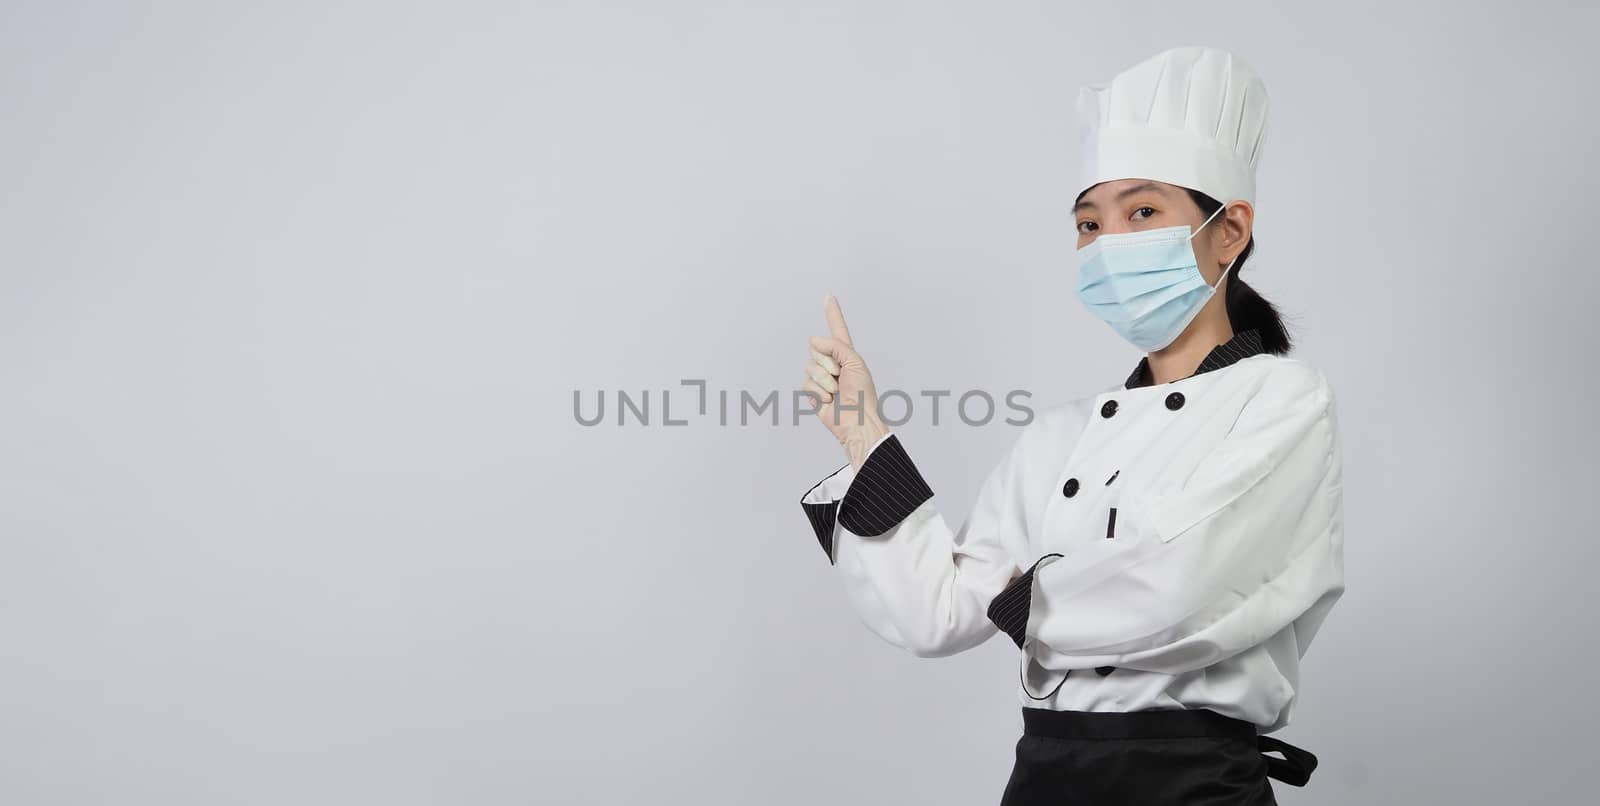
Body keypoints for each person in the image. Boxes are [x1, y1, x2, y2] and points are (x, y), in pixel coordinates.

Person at [796, 46, 1344, 805]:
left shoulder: (1283, 400)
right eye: (1089, 223)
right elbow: (937, 610)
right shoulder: (1059, 437)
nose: (1108, 242)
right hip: (1044, 779)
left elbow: (1180, 585)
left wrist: (1024, 598)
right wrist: (863, 436)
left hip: (1192, 785)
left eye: (1142, 212)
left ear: (1230, 232)